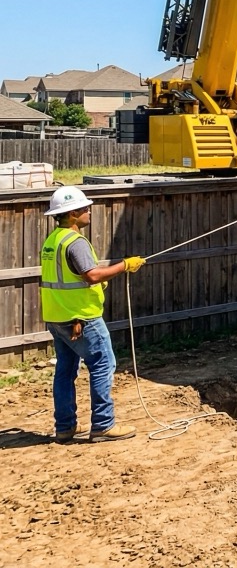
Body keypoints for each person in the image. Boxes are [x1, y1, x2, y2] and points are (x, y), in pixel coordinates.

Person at [40, 185, 144, 443]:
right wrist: (125, 265)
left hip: (57, 317)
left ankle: (64, 427)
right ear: (73, 213)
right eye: (86, 208)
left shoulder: (53, 241)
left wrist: (97, 282)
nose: (90, 211)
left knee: (65, 370)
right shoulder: (75, 242)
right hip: (81, 318)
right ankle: (103, 425)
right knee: (103, 365)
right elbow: (91, 275)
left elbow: (70, 278)